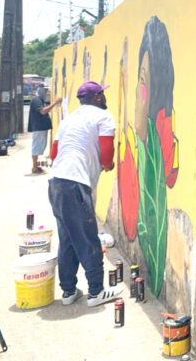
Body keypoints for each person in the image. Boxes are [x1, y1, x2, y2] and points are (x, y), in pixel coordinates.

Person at [48, 80, 123, 306]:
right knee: (88, 238)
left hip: (56, 182)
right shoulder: (103, 117)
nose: (105, 98)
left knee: (68, 239)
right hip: (76, 186)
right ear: (98, 97)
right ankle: (96, 292)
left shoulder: (68, 119)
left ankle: (69, 292)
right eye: (103, 95)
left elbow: (54, 153)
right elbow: (107, 155)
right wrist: (107, 165)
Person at [27, 86, 61, 174]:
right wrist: (55, 103)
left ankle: (36, 165)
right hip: (39, 127)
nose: (46, 93)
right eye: (45, 91)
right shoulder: (36, 100)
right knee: (36, 147)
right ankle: (34, 167)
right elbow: (43, 111)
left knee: (40, 147)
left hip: (41, 128)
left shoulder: (40, 100)